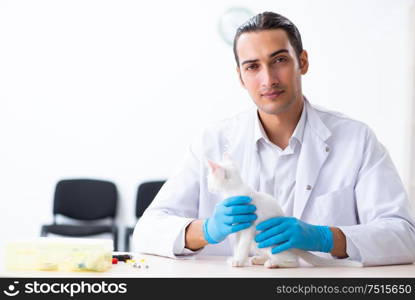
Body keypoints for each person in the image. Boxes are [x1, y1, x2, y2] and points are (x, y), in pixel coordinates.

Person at [133, 11, 415, 266]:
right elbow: (147, 231)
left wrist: (327, 237)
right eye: (253, 67)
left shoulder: (356, 139)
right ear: (241, 77)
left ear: (302, 62)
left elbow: (404, 236)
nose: (268, 79)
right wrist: (206, 230)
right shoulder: (213, 142)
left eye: (279, 60)